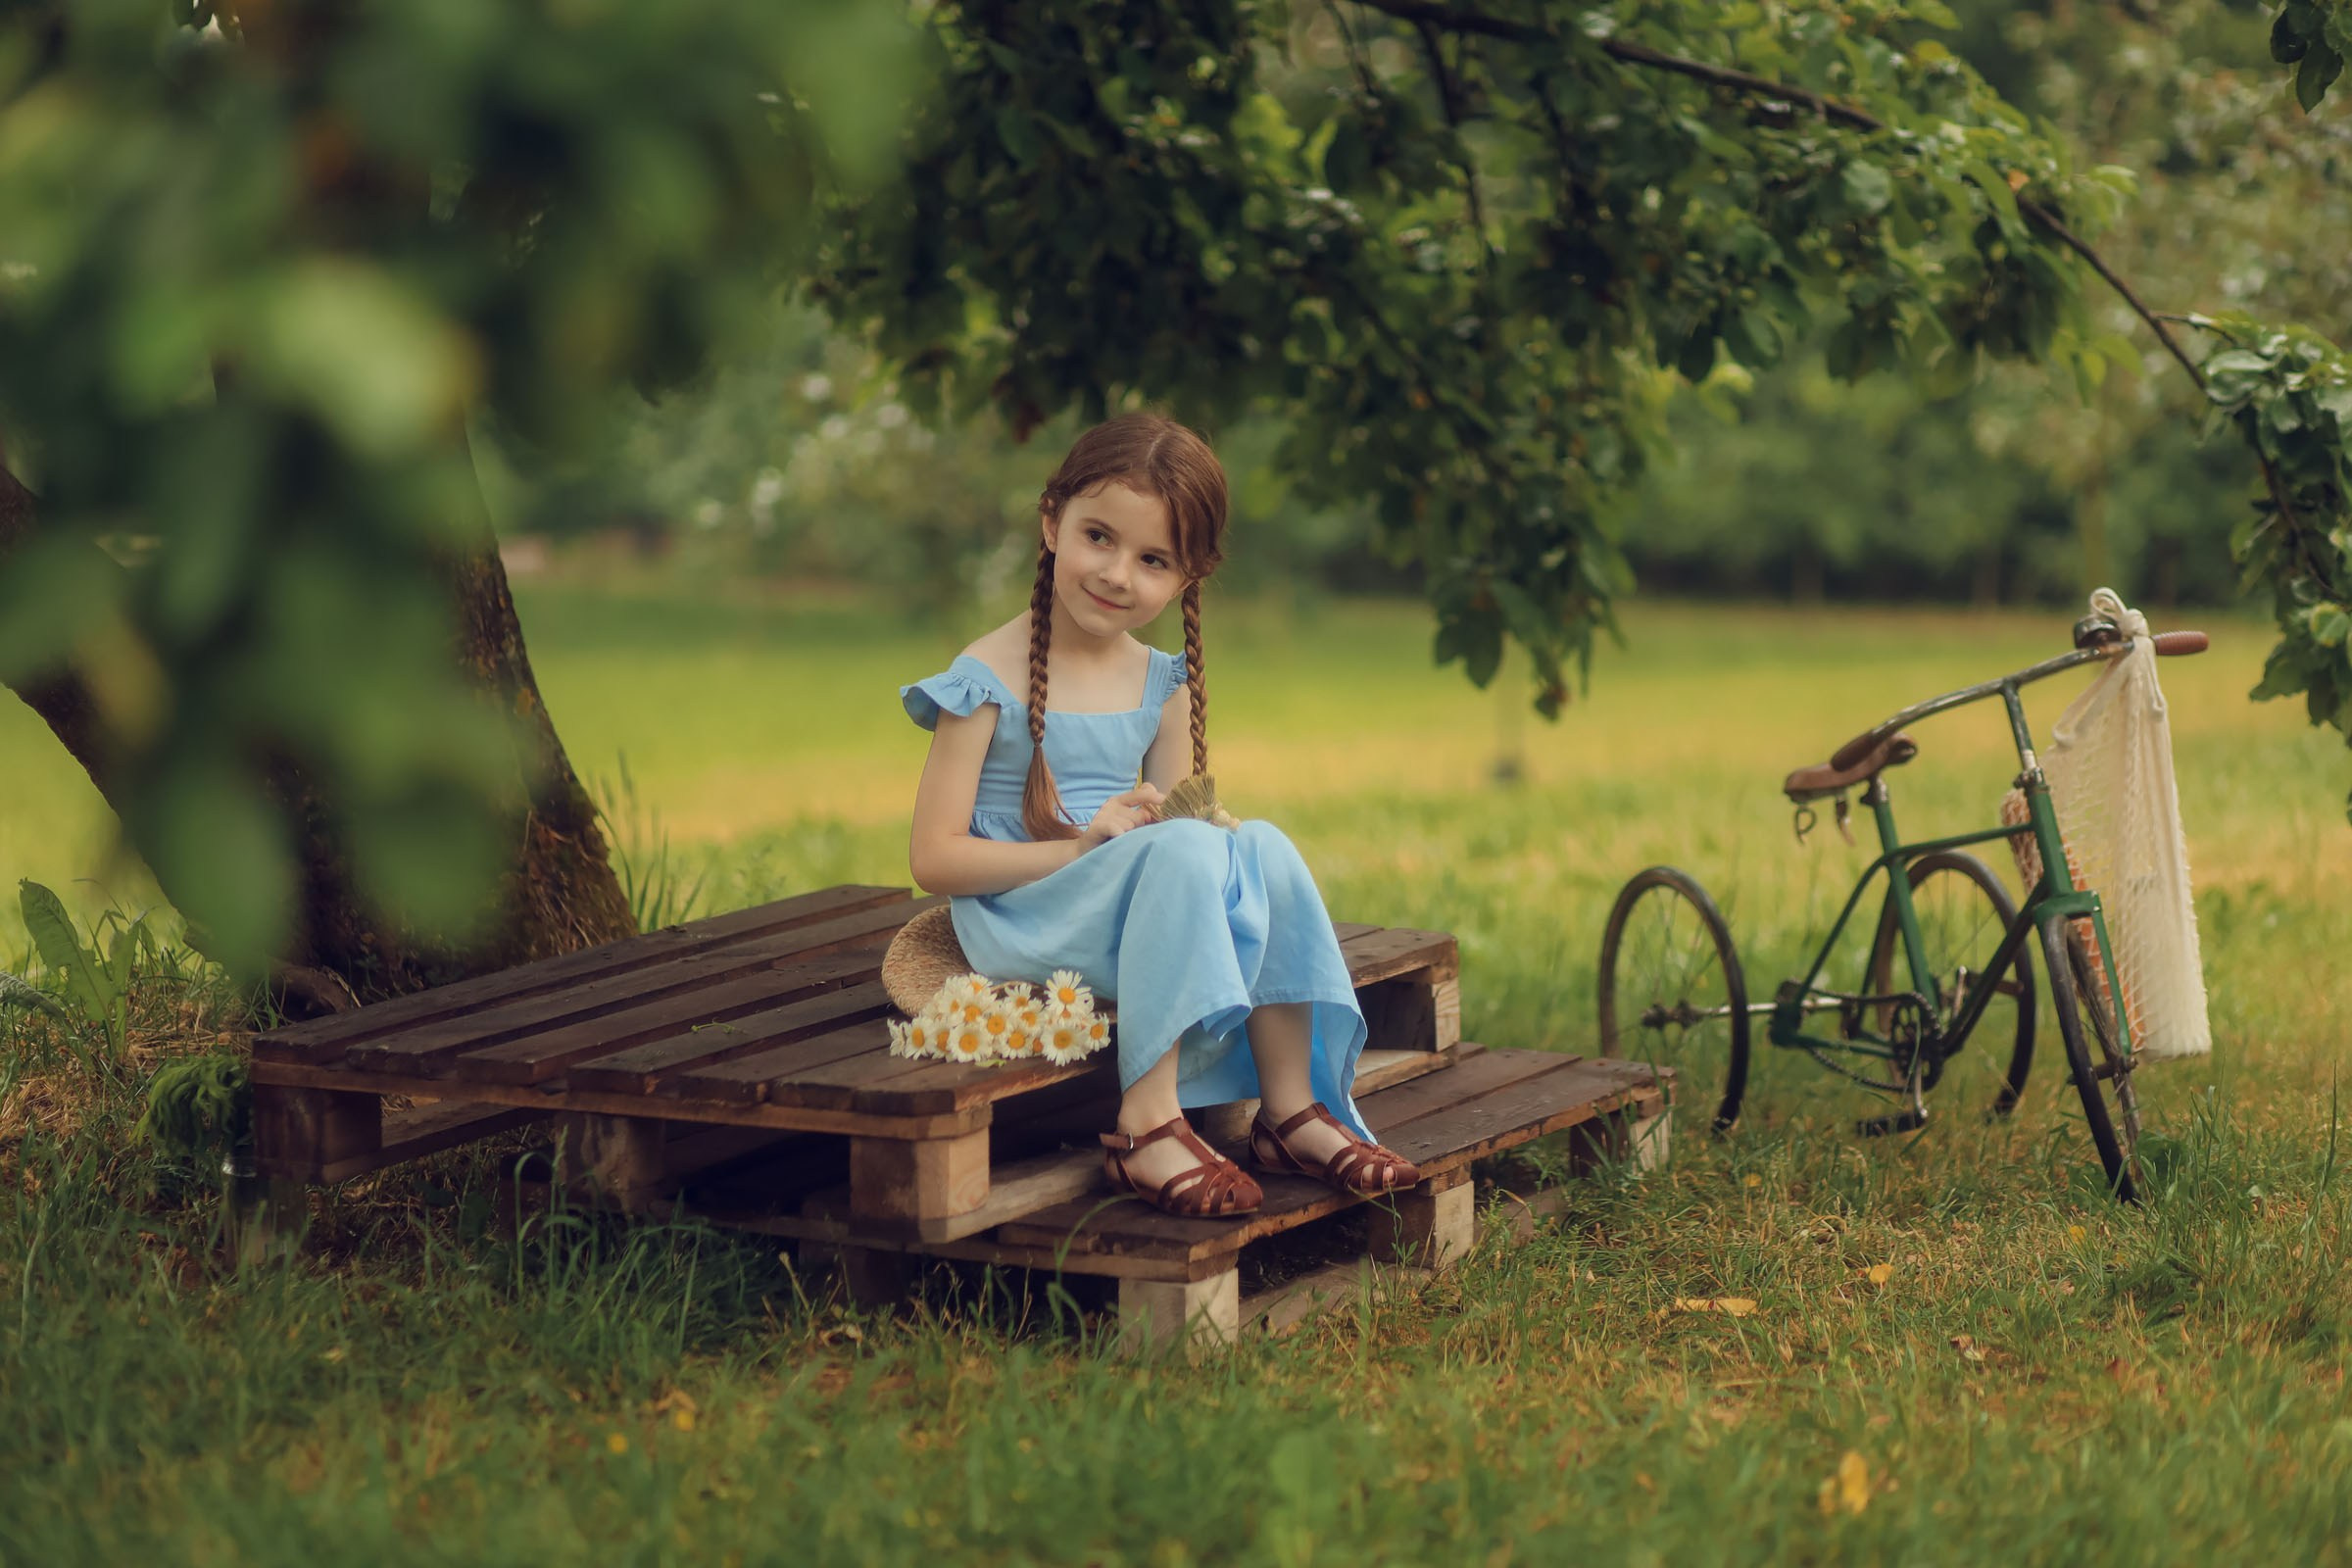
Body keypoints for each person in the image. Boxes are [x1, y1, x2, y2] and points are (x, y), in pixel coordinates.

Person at [899, 412, 1419, 1218]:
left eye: (1152, 559)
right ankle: (1147, 1122)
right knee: (1183, 854)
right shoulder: (983, 678)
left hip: (1127, 908)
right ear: (1051, 521)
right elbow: (933, 858)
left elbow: (1178, 828)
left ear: (1188, 578)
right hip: (1026, 914)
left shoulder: (1160, 682)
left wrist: (1210, 840)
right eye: (1098, 537)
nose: (1116, 573)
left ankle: (1291, 1110)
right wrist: (1078, 850)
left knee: (1262, 844)